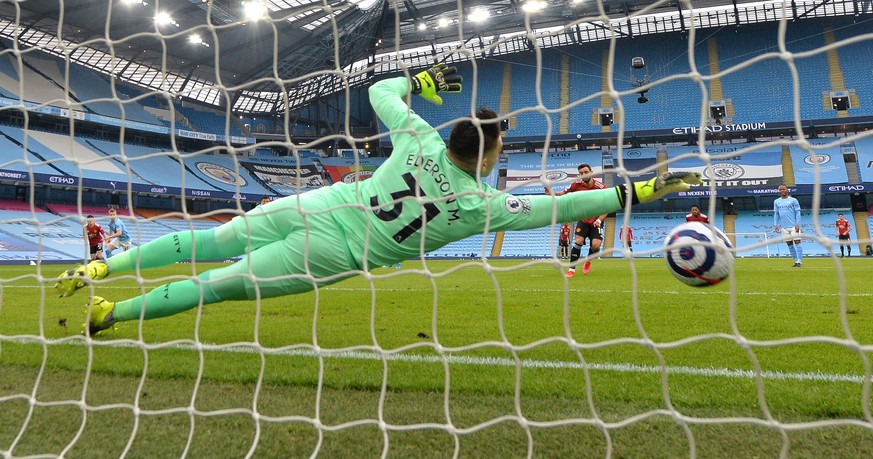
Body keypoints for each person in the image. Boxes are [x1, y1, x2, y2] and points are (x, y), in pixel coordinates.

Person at [54, 63, 701, 335]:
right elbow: (562, 207)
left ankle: (102, 265)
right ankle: (111, 313)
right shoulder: (483, 207)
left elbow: (378, 94)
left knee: (214, 238)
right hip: (333, 249)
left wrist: (420, 78)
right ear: (492, 157)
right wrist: (636, 188)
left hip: (319, 203)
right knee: (221, 282)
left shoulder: (418, 137)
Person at [549, 164, 607, 277]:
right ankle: (571, 270)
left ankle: (588, 261)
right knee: (578, 241)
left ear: (591, 172)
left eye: (586, 172)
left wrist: (600, 220)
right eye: (581, 173)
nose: (583, 175)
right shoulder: (576, 185)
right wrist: (552, 194)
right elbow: (563, 193)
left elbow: (607, 206)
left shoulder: (601, 187)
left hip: (597, 220)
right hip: (583, 219)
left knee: (596, 245)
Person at [773, 184, 803, 267]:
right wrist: (776, 224)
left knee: (797, 241)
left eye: (783, 189)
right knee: (789, 244)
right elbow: (776, 214)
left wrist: (798, 224)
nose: (782, 191)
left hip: (793, 226)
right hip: (784, 227)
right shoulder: (776, 201)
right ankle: (796, 261)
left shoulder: (793, 200)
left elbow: (798, 212)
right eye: (780, 189)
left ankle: (800, 261)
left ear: (787, 190)